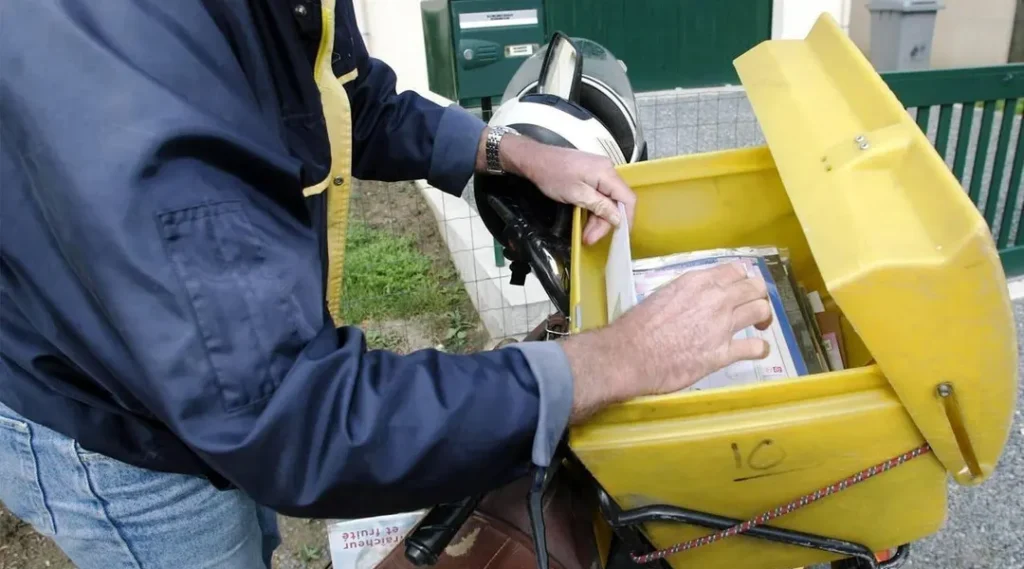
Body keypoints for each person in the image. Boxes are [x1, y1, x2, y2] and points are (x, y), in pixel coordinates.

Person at [0, 2, 773, 568]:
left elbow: (347, 98)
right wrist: (616, 359)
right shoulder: (130, 51)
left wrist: (502, 151)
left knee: (248, 524)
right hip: (116, 431)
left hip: (198, 389)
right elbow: (290, 417)